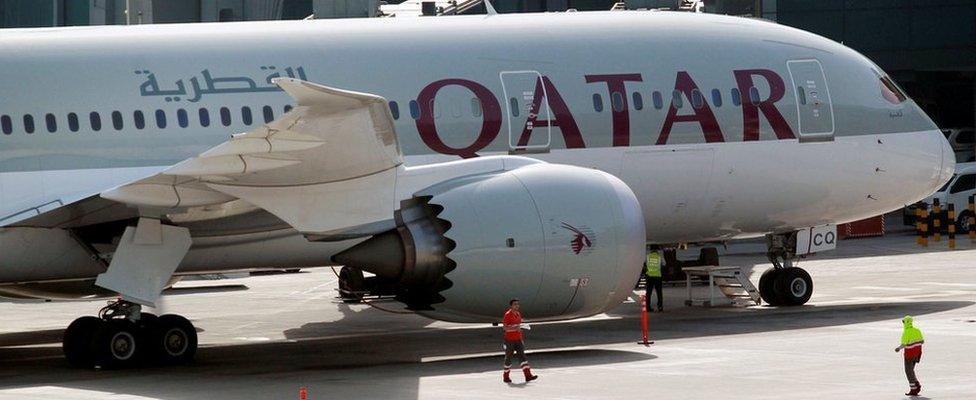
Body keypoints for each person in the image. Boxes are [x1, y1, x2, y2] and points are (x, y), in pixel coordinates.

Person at [502, 299, 538, 383]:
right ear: (511, 306)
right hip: (510, 340)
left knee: (523, 357)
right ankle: (506, 376)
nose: (517, 306)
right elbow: (505, 328)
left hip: (518, 339)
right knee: (508, 359)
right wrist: (515, 328)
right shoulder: (507, 315)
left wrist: (521, 327)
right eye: (515, 304)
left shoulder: (518, 314)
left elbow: (517, 326)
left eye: (518, 304)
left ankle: (528, 375)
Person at [895, 315, 924, 396]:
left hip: (909, 354)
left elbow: (904, 344)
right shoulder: (917, 330)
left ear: (906, 322)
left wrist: (898, 348)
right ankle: (917, 384)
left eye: (903, 321)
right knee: (911, 370)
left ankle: (913, 389)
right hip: (917, 354)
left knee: (908, 371)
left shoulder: (906, 332)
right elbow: (922, 341)